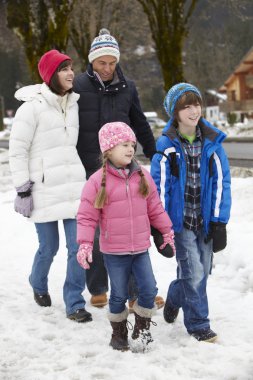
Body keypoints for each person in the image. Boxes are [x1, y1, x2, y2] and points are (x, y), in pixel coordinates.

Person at [73, 28, 164, 310]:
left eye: (112, 62)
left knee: (131, 223)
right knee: (99, 229)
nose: (108, 68)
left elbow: (139, 122)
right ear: (92, 62)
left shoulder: (128, 87)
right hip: (91, 167)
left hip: (126, 164)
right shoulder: (78, 86)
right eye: (102, 63)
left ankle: (137, 292)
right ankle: (99, 286)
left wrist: (155, 153)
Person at [76, 122, 175, 351]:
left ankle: (142, 329)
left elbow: (155, 208)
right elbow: (86, 217)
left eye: (132, 144)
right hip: (114, 251)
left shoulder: (142, 176)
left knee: (149, 289)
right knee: (119, 295)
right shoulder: (96, 181)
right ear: (108, 150)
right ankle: (118, 334)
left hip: (141, 248)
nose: (131, 149)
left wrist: (166, 232)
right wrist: (85, 244)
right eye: (124, 144)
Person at [9, 49, 91, 323]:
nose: (71, 73)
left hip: (73, 187)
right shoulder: (30, 108)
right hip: (42, 189)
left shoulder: (75, 104)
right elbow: (17, 150)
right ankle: (38, 282)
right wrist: (22, 188)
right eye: (64, 69)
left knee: (78, 247)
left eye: (71, 68)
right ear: (50, 75)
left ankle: (74, 302)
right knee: (49, 247)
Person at [151, 83, 231, 343]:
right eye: (186, 106)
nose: (193, 110)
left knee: (202, 270)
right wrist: (159, 227)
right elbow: (158, 189)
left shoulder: (212, 144)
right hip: (180, 223)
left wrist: (219, 223)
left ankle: (175, 296)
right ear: (174, 112)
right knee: (194, 272)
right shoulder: (167, 147)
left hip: (205, 222)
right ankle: (198, 324)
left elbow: (222, 183)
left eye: (196, 104)